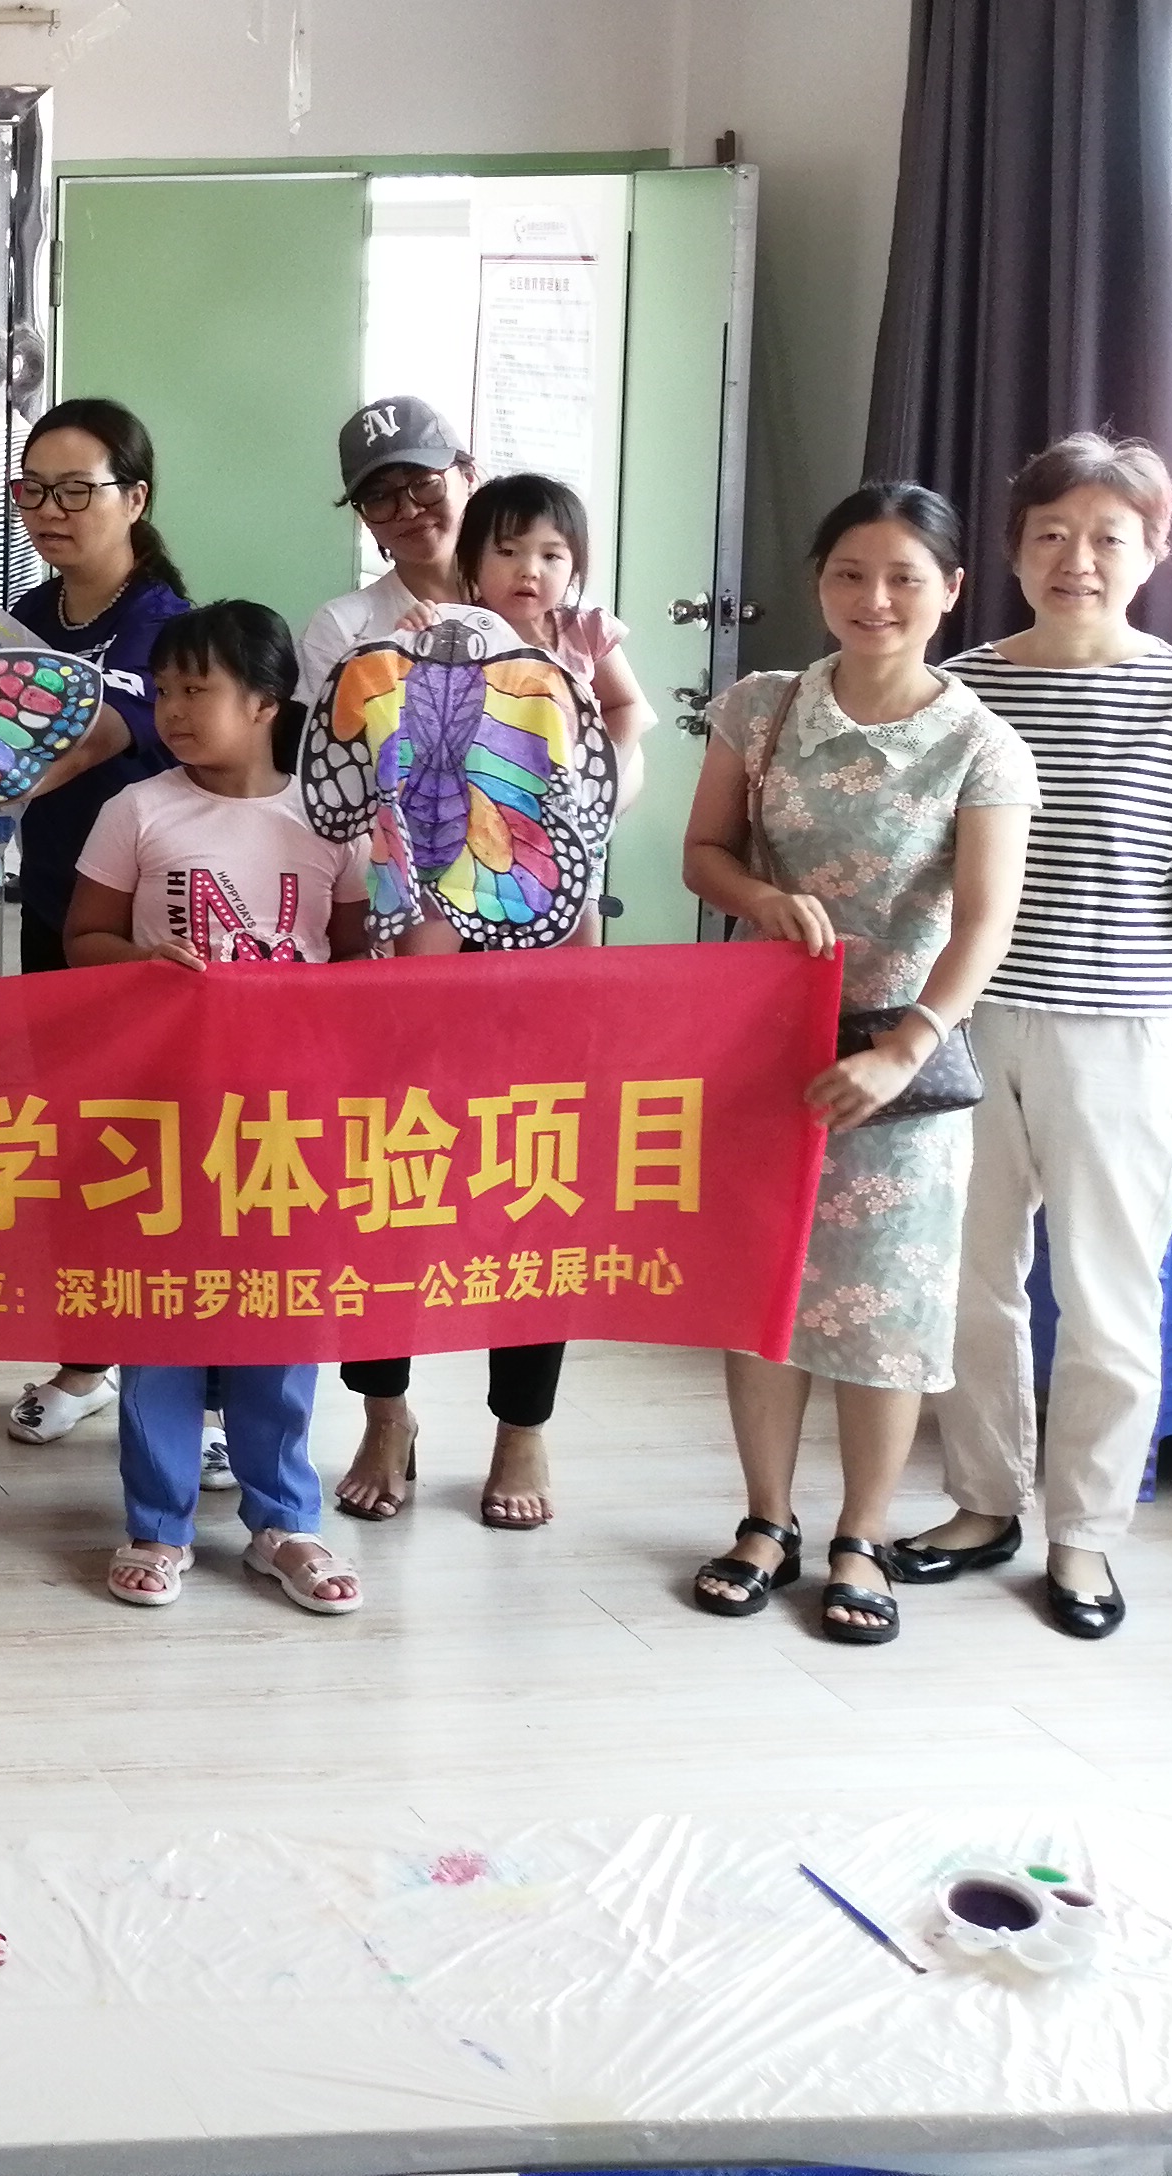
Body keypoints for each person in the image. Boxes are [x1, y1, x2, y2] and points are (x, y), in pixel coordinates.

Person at [684, 483, 1033, 1648]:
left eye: (900, 577)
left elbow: (983, 922)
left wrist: (904, 1048)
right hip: (763, 1044)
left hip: (901, 1063)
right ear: (817, 581)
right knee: (764, 1292)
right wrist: (758, 898)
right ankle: (763, 1520)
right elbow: (701, 852)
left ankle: (859, 1537)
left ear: (949, 591)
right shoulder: (760, 707)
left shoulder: (981, 745)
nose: (871, 598)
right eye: (847, 573)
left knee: (886, 1308)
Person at [908, 435, 1172, 1640]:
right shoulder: (957, 690)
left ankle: (1083, 1535)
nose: (1075, 559)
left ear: (1152, 553)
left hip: (1125, 1029)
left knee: (1107, 1294)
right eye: (1049, 535)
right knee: (968, 1281)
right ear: (1012, 550)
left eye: (1106, 538)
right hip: (966, 1019)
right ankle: (982, 1503)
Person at [65, 601, 410, 1616]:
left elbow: (353, 963)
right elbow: (81, 939)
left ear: (265, 702)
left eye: (196, 689)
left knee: (281, 1312)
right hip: (161, 1106)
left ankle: (283, 1521)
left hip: (289, 1117)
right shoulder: (137, 810)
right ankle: (156, 1523)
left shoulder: (326, 820)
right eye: (164, 689)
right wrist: (141, 960)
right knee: (161, 1315)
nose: (172, 709)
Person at [333, 472, 652, 1532]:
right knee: (390, 1177)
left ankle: (522, 1426)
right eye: (509, 551)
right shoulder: (425, 638)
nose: (530, 571)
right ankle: (385, 1414)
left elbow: (629, 733)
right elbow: (364, 756)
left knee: (533, 1182)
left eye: (552, 554)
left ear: (577, 568)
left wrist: (600, 759)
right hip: (426, 921)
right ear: (471, 563)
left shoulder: (586, 644)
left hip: (546, 935)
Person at [0, 399, 194, 1457]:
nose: (51, 510)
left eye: (77, 490)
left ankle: (200, 1392)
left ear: (135, 497)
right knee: (71, 1139)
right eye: (33, 490)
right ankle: (87, 1357)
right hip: (55, 913)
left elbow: (96, 734)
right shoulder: (26, 612)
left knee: (161, 1149)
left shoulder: (164, 620)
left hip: (152, 931)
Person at [295, 396, 478, 705]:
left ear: (469, 477)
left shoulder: (532, 597)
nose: (408, 510)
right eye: (379, 498)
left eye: (425, 482)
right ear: (363, 516)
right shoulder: (342, 628)